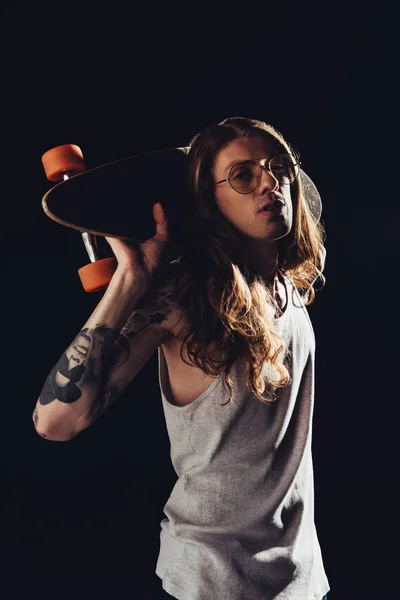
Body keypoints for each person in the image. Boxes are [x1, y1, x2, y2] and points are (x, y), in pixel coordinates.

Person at [33, 117, 330, 600]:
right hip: (213, 580)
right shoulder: (183, 306)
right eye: (243, 175)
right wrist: (132, 278)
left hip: (299, 576)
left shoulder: (287, 290)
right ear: (210, 202)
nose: (270, 183)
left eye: (278, 168)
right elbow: (55, 422)